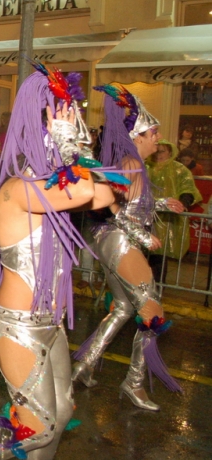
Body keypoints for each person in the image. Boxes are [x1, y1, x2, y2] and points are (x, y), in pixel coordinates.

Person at [0, 66, 115, 460]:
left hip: (50, 323)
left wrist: (74, 145)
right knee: (40, 426)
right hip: (18, 326)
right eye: (67, 122)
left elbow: (102, 193)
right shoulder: (19, 189)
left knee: (62, 412)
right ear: (46, 129)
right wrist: (69, 143)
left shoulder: (49, 185)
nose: (76, 128)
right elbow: (90, 190)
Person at [72, 85, 185, 412]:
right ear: (138, 137)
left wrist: (163, 203)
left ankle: (85, 364)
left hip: (113, 242)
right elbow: (112, 206)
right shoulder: (131, 163)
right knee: (153, 313)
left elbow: (134, 202)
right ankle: (134, 382)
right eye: (153, 133)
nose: (158, 138)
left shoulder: (134, 164)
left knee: (123, 309)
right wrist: (143, 236)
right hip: (121, 242)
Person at [146, 139, 201, 282]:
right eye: (156, 150)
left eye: (162, 151)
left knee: (158, 256)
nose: (158, 154)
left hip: (166, 221)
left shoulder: (180, 170)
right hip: (143, 218)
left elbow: (188, 189)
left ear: (170, 152)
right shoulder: (144, 166)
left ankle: (156, 290)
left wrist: (182, 203)